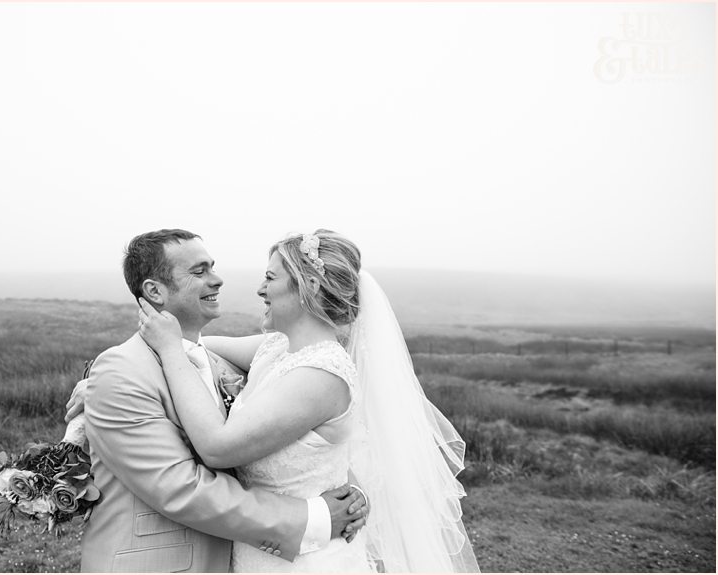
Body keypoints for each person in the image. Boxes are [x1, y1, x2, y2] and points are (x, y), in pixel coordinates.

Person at [137, 229, 480, 572]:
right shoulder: (277, 348)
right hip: (261, 549)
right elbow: (199, 347)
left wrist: (168, 349)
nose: (260, 289)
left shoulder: (321, 376)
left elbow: (216, 447)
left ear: (309, 288)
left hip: (308, 559)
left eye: (270, 278)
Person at [68, 229, 368, 572]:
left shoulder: (235, 362)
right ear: (154, 291)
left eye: (212, 267)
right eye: (200, 271)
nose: (218, 279)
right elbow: (179, 488)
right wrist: (104, 376)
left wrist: (348, 490)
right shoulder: (123, 371)